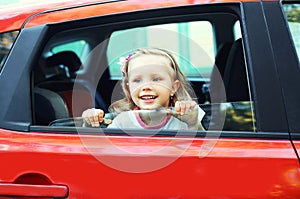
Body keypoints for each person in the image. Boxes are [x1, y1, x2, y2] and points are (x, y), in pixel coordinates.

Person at [82, 47, 205, 130]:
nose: (146, 87)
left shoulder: (187, 115)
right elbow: (101, 148)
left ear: (173, 87)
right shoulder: (123, 121)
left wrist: (193, 123)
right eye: (137, 80)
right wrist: (89, 123)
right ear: (129, 88)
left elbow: (205, 149)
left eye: (156, 79)